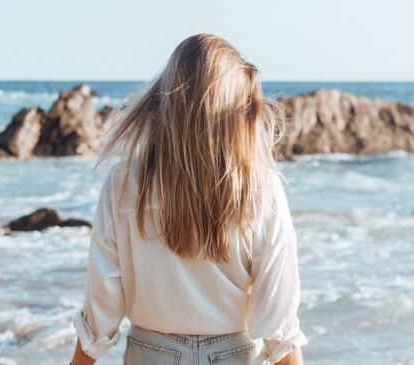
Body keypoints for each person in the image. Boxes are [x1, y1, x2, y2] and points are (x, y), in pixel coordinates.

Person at [69, 34, 307, 365]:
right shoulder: (260, 186)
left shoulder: (122, 181)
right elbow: (278, 325)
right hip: (234, 355)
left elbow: (101, 309)